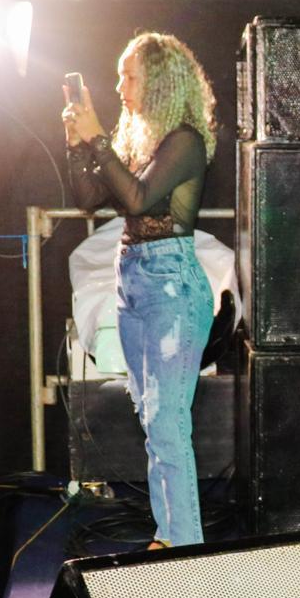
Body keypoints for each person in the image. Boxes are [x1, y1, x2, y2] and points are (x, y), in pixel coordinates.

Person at [63, 31, 218, 548]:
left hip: (170, 285)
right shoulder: (143, 144)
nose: (119, 86)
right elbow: (88, 198)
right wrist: (77, 143)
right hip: (132, 280)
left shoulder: (185, 141)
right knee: (154, 421)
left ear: (160, 81)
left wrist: (98, 140)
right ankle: (168, 533)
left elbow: (137, 199)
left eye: (129, 76)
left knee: (168, 423)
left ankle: (184, 546)